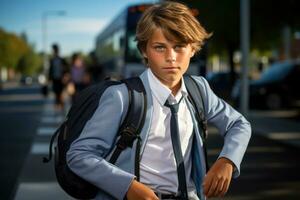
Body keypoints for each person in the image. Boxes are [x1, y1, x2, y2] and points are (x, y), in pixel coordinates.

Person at [67, 1, 251, 200]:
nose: (171, 57)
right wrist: (127, 187)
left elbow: (238, 124)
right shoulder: (121, 97)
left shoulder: (199, 89)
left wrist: (227, 160)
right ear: (144, 50)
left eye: (179, 46)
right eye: (160, 47)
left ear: (193, 49)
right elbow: (79, 155)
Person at [48, 43, 68, 110]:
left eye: (54, 50)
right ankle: (57, 108)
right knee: (56, 94)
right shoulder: (52, 60)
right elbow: (50, 70)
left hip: (61, 79)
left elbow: (66, 69)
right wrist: (49, 79)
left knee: (61, 94)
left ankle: (62, 107)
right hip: (55, 79)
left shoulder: (62, 60)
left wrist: (65, 76)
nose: (54, 51)